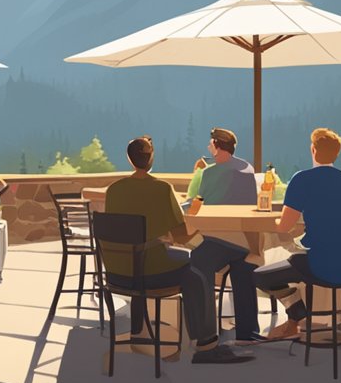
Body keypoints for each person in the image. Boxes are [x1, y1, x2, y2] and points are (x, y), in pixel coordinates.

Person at [102, 136, 256, 363]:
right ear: (152, 158)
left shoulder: (114, 191)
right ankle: (209, 346)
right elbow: (181, 235)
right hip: (152, 270)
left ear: (129, 159)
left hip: (119, 270)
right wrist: (198, 237)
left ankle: (151, 331)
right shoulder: (162, 189)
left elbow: (123, 230)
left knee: (189, 264)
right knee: (196, 272)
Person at [254, 128, 341, 341]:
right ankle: (298, 321)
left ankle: (295, 317)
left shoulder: (302, 179)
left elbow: (284, 226)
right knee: (294, 258)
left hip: (320, 265)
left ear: (313, 150)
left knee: (261, 275)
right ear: (336, 154)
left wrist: (270, 219)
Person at [183, 127, 256, 210]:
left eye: (210, 144)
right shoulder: (248, 167)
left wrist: (185, 204)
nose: (208, 147)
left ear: (216, 146)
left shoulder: (210, 173)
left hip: (215, 218)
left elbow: (200, 202)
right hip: (243, 217)